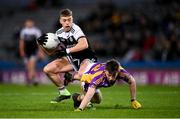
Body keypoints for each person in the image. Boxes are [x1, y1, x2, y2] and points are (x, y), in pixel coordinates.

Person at [37, 8, 97, 103]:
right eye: (64, 20)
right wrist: (41, 45)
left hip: (86, 59)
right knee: (48, 69)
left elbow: (84, 44)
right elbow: (51, 52)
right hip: (72, 60)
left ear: (72, 19)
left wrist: (66, 50)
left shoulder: (76, 29)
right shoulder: (58, 33)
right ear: (60, 21)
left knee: (95, 97)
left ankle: (84, 98)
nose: (67, 22)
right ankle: (63, 92)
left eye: (69, 20)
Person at [72, 59, 142, 111]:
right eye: (109, 75)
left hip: (95, 70)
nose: (111, 78)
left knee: (98, 100)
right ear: (105, 71)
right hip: (87, 79)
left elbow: (132, 81)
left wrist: (133, 100)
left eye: (114, 75)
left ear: (118, 71)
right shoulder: (98, 77)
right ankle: (77, 97)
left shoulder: (121, 72)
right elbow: (90, 93)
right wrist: (80, 109)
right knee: (91, 100)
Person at [19, 19, 42, 86]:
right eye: (27, 23)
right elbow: (22, 42)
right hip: (26, 51)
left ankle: (29, 80)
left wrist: (40, 52)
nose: (29, 24)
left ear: (32, 23)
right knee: (28, 67)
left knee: (32, 66)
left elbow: (39, 42)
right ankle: (35, 79)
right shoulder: (23, 31)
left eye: (30, 23)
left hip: (33, 51)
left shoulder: (36, 31)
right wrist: (21, 51)